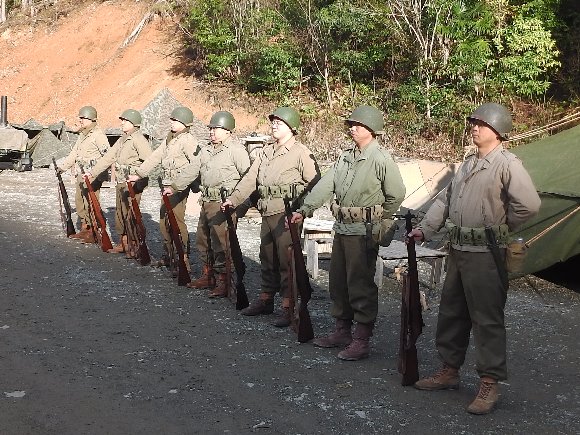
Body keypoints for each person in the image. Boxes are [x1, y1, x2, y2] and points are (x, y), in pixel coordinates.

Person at [408, 103, 541, 415]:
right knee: (452, 313)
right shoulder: (468, 163)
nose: (475, 128)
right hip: (458, 251)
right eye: (474, 123)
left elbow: (529, 204)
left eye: (482, 124)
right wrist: (425, 229)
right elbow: (445, 200)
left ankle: (489, 382)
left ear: (498, 130)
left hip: (486, 255)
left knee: (486, 319)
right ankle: (449, 370)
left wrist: (500, 228)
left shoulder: (507, 164)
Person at [290, 105, 405, 360]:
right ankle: (342, 331)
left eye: (358, 125)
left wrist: (379, 219)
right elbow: (326, 184)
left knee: (360, 283)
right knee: (338, 281)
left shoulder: (381, 159)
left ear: (372, 129)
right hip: (342, 227)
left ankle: (361, 339)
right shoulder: (345, 157)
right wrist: (305, 209)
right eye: (351, 124)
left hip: (363, 230)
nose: (352, 128)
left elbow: (396, 194)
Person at [222, 107, 320, 327]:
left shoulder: (301, 152)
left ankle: (288, 305)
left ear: (291, 128)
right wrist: (233, 199)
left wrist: (302, 210)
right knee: (267, 257)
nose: (274, 125)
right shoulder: (266, 151)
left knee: (287, 260)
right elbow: (251, 179)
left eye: (279, 123)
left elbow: (315, 183)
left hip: (287, 214)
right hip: (266, 211)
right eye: (273, 122)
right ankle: (266, 298)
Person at [168, 111, 250, 297]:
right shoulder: (205, 150)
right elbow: (192, 170)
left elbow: (248, 178)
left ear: (227, 130)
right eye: (210, 128)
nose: (211, 132)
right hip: (206, 201)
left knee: (222, 242)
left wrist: (241, 204)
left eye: (216, 129)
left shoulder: (236, 151)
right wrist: (174, 186)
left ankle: (224, 280)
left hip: (224, 204)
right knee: (202, 239)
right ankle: (208, 274)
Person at [127, 106, 199, 266]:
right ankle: (169, 255)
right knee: (164, 220)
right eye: (172, 119)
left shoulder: (188, 141)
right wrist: (139, 174)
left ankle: (183, 257)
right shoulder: (170, 138)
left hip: (179, 187)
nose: (171, 122)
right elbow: (155, 157)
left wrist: (187, 185)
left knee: (176, 221)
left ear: (185, 123)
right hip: (167, 186)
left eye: (175, 120)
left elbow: (197, 164)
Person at [86, 109, 152, 254]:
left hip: (133, 183)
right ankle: (123, 243)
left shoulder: (139, 139)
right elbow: (109, 157)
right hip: (122, 182)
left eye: (125, 121)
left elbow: (149, 161)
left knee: (131, 213)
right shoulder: (123, 139)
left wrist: (139, 177)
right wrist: (93, 172)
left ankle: (135, 244)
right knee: (120, 212)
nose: (122, 123)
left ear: (133, 123)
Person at [57, 106, 110, 243]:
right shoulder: (83, 135)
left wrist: (95, 172)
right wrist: (63, 167)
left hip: (93, 176)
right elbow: (74, 153)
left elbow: (107, 156)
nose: (80, 120)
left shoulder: (98, 135)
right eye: (80, 117)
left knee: (91, 202)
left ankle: (93, 231)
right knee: (80, 201)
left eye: (83, 118)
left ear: (91, 119)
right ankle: (85, 228)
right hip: (82, 174)